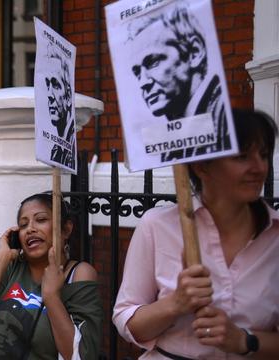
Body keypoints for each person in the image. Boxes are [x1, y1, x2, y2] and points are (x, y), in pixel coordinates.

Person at [113, 109, 279, 359]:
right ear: (202, 167)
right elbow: (127, 321)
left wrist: (245, 340)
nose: (259, 167)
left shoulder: (275, 236)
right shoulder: (157, 226)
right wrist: (175, 304)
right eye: (242, 156)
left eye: (264, 155)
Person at [0, 192, 102, 359]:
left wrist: (51, 297)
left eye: (41, 219)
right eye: (23, 225)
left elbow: (82, 355)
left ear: (66, 229)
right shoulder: (12, 267)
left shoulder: (79, 273)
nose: (30, 229)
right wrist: (0, 258)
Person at [128, 6, 231, 162]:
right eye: (137, 72)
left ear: (195, 53)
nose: (143, 82)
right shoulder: (173, 135)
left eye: (153, 62)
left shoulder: (223, 115)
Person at [45, 47, 75, 143]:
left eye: (56, 85)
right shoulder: (55, 150)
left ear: (69, 96)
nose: (49, 94)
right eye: (47, 85)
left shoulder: (72, 142)